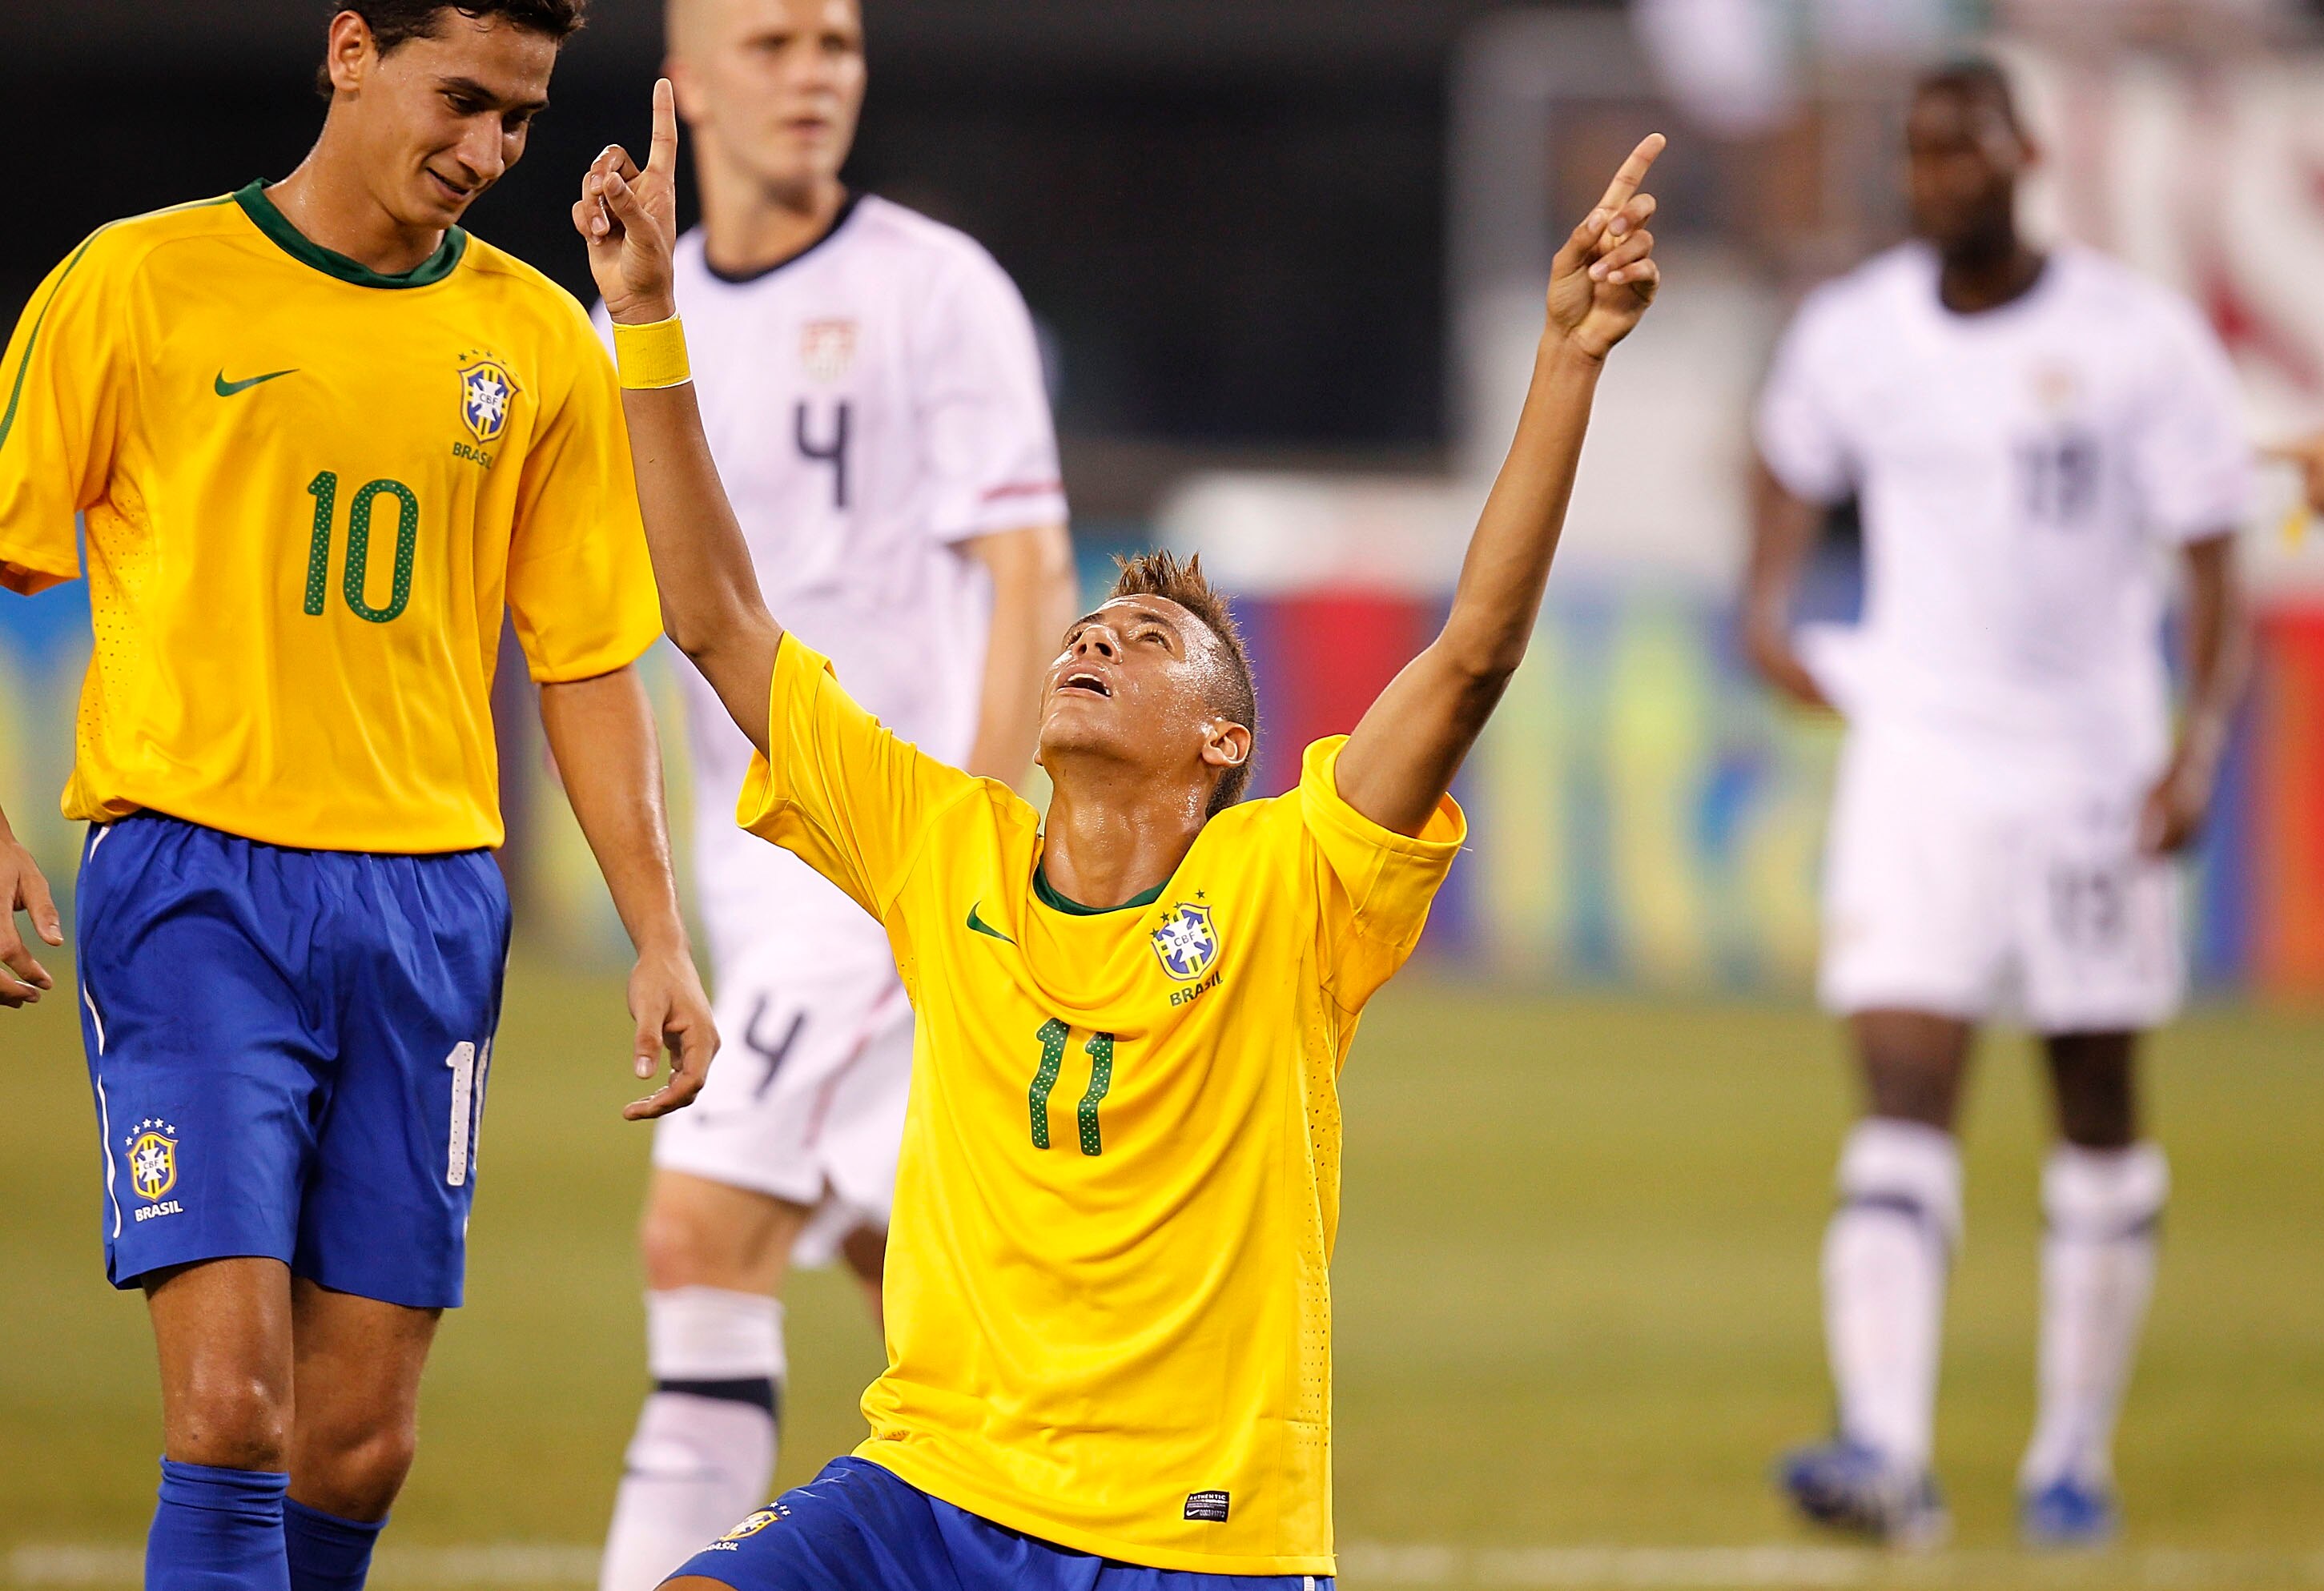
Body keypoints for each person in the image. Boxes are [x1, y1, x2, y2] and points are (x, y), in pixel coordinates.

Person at [574, 81, 1662, 1591]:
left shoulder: (1293, 883)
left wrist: (1566, 356)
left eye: (1143, 637)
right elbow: (711, 620)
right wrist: (646, 316)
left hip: (1191, 1539)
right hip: (934, 1490)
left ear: (1227, 742)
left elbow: (1473, 651)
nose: (1090, 638)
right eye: (1086, 622)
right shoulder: (936, 841)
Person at [0, 6, 720, 1589]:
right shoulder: (138, 283)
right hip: (195, 881)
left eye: (522, 120)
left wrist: (660, 932)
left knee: (359, 1444)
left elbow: (588, 660)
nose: (489, 151)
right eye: (460, 99)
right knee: (232, 1404)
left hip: (427, 902)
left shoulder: (534, 341)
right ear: (347, 51)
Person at [593, 2, 1075, 1585]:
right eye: (776, 45)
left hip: (882, 870)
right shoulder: (638, 323)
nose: (815, 78)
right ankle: (1077, 1538)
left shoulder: (935, 290)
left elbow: (1027, 574)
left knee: (700, 1236)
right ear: (691, 81)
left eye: (840, 47)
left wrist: (976, 844)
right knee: (928, 1301)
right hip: (758, 872)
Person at [1745, 59, 2251, 1549]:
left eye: (1962, 149)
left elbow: (2218, 550)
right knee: (1902, 1082)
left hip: (2091, 764)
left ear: (2025, 153)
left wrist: (2196, 744)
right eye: (1915, 153)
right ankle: (1889, 1454)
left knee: (2094, 1096)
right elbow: (1787, 460)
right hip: (1920, 753)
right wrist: (1767, 603)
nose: (1937, 176)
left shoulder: (2134, 340)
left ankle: (2070, 1459)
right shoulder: (1855, 334)